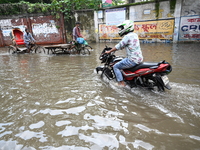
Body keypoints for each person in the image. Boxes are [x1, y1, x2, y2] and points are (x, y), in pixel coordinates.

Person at [105, 20, 143, 87]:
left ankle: (121, 83)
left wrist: (109, 51)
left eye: (122, 28)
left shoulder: (127, 37)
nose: (121, 29)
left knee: (116, 66)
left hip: (132, 60)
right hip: (139, 58)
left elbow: (119, 45)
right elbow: (131, 44)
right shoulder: (135, 35)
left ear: (127, 27)